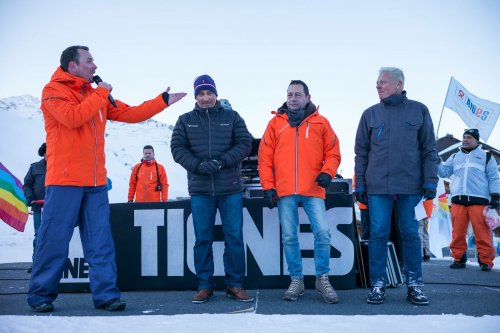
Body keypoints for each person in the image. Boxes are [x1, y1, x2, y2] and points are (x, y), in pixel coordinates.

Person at [27, 45, 186, 313]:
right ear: (72, 66)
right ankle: (40, 295)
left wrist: (162, 101)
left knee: (100, 242)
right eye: (89, 61)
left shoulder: (96, 95)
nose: (95, 66)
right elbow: (73, 118)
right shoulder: (53, 91)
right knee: (54, 240)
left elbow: (130, 113)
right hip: (64, 181)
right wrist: (101, 92)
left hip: (95, 183)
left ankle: (106, 296)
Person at [354, 67, 438, 306]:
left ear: (398, 84)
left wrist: (430, 181)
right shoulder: (369, 114)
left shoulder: (419, 110)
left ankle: (415, 285)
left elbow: (430, 150)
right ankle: (378, 285)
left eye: (382, 82)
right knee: (378, 234)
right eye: (377, 82)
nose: (378, 86)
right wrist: (360, 184)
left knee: (410, 233)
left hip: (410, 185)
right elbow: (361, 153)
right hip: (378, 186)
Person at [170, 75, 253, 304]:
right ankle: (205, 286)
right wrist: (198, 165)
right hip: (201, 191)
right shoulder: (185, 120)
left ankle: (235, 285)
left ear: (216, 95)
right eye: (201, 94)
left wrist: (222, 161)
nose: (205, 98)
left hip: (231, 189)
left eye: (209, 93)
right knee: (202, 239)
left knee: (234, 238)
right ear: (196, 97)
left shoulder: (232, 117)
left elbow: (245, 144)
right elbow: (177, 148)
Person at [258, 80, 341, 304]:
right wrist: (268, 186)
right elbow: (264, 158)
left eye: (297, 94)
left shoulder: (321, 122)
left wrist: (328, 172)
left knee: (322, 233)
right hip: (285, 190)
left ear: (307, 97)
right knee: (289, 236)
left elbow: (333, 151)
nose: (293, 98)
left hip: (313, 188)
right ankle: (297, 279)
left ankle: (322, 279)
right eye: (289, 94)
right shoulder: (275, 123)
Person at [438, 129, 500, 271]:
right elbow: (444, 172)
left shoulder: (487, 157)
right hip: (458, 200)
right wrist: (437, 161)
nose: (465, 140)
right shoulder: (454, 156)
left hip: (479, 201)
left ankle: (485, 261)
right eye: (464, 137)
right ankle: (459, 258)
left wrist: (495, 195)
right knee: (458, 233)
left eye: (469, 137)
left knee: (482, 234)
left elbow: (493, 177)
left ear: (476, 141)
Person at [23, 143, 47, 273]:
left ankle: (55, 264)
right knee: (39, 235)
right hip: (38, 208)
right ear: (43, 153)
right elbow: (27, 184)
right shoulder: (35, 168)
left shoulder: (60, 166)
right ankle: (36, 263)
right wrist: (29, 197)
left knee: (57, 236)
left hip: (57, 208)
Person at [353, 174, 370, 241]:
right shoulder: (360, 169)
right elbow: (356, 181)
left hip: (377, 201)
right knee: (365, 227)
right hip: (364, 203)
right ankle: (365, 244)